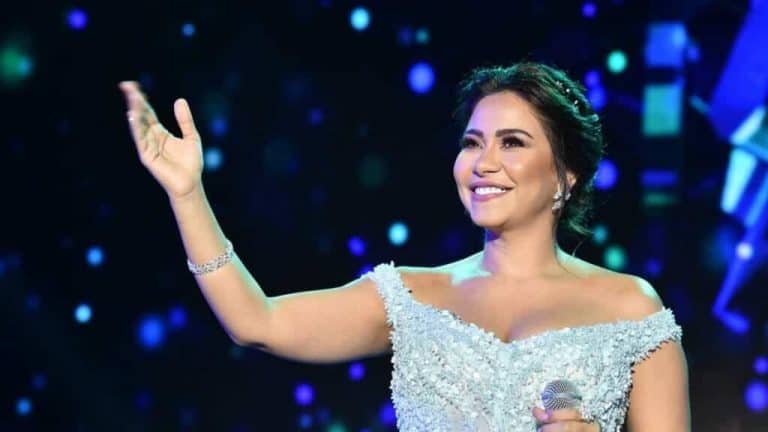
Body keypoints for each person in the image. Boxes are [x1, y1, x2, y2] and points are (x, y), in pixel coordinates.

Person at [119, 61, 690, 431]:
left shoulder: (629, 309)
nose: (483, 163)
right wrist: (188, 193)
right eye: (473, 143)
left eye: (512, 143)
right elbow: (256, 322)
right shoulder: (412, 297)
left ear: (566, 175)